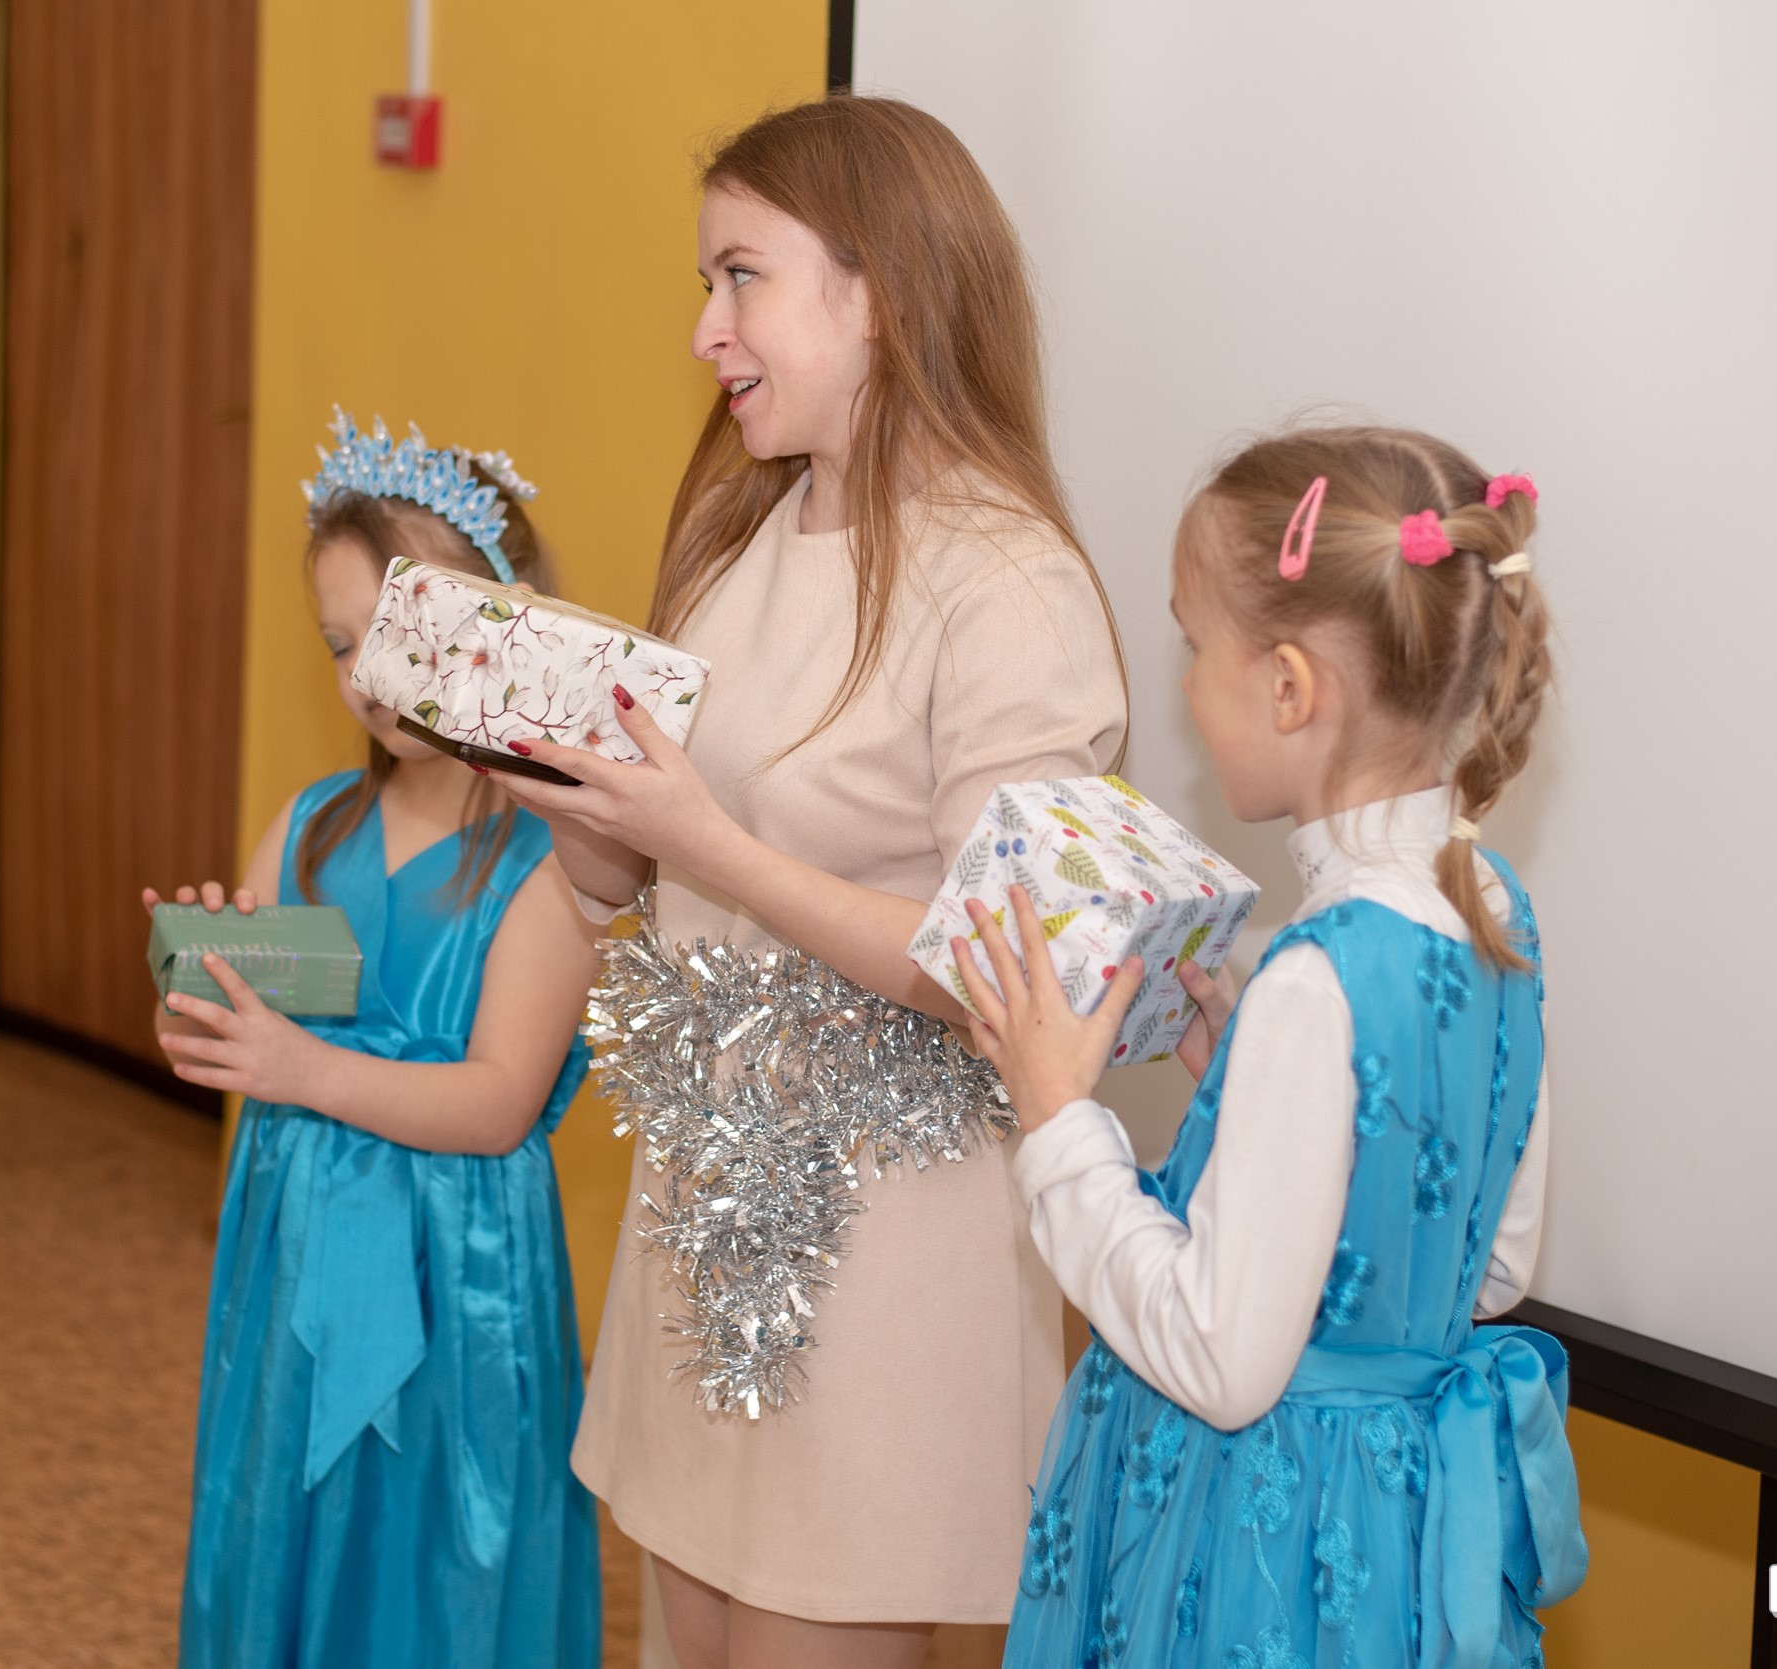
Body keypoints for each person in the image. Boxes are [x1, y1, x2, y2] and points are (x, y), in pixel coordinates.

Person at [500, 97, 1128, 1668]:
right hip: (711, 1218)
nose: (704, 330)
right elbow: (649, 883)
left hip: (887, 1254)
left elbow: (1006, 970)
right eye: (707, 283)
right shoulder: (741, 534)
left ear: (883, 293)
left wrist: (710, 842)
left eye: (742, 277)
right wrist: (583, 814)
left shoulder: (1006, 580)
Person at [952, 429, 1587, 1668]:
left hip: (1262, 1548)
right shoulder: (1493, 911)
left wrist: (1059, 1119)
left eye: (1195, 647)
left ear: (1290, 689)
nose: (1186, 686)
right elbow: (1489, 1265)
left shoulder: (1316, 975)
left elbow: (1219, 1359)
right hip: (1393, 1535)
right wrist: (1255, 1101)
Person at [152, 416, 602, 1668]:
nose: (364, 675)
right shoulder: (310, 824)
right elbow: (232, 1032)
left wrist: (301, 1069)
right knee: (288, 1511)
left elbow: (500, 1102)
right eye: (341, 644)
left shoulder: (551, 860)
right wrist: (198, 996)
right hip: (297, 1247)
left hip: (457, 1265)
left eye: (396, 633)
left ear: (493, 627)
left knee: (434, 1553)